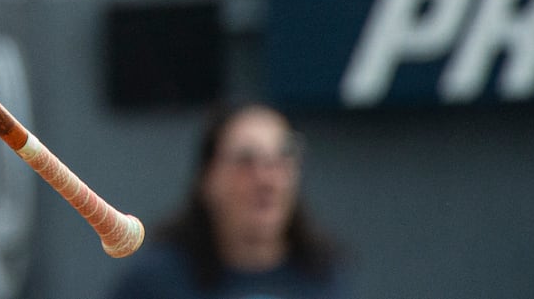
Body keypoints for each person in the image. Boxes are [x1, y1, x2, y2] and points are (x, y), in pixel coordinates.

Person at [105, 102, 353, 299]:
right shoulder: (154, 285)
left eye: (283, 158)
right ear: (209, 178)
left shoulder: (323, 279)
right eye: (246, 161)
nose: (267, 180)